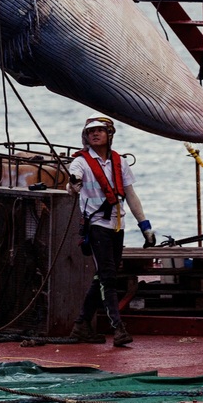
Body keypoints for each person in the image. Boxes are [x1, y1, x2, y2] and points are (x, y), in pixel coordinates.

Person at [67, 115, 156, 347]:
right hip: (96, 227)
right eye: (90, 132)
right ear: (85, 137)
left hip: (118, 225)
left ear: (109, 135)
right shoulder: (81, 162)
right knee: (108, 277)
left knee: (103, 276)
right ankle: (118, 329)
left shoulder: (119, 161)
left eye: (99, 130)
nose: (95, 134)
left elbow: (131, 195)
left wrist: (144, 226)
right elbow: (73, 182)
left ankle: (81, 324)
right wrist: (73, 183)